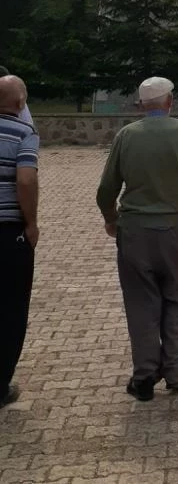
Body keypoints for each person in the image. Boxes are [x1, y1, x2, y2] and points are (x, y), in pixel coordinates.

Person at [96, 76, 178, 402]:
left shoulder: (126, 136)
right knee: (177, 301)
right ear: (170, 101)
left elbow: (105, 189)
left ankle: (143, 378)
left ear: (142, 105)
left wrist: (111, 218)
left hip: (135, 234)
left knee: (141, 305)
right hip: (177, 233)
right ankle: (176, 373)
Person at [0, 74, 39, 409]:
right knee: (11, 309)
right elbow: (25, 179)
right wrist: (31, 223)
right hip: (8, 231)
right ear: (20, 104)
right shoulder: (23, 132)